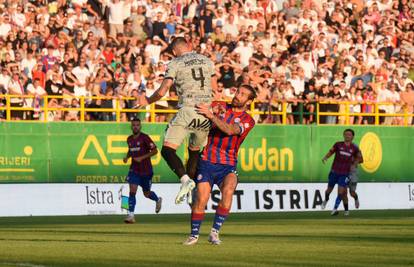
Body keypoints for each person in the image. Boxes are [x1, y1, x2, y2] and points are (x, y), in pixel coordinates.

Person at [137, 37, 217, 205]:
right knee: (194, 151)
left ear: (174, 51)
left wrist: (147, 101)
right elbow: (215, 89)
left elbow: (162, 91)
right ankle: (192, 192)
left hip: (188, 110)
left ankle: (185, 180)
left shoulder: (175, 63)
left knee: (167, 150)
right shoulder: (207, 60)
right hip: (206, 112)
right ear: (189, 45)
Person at [183, 84, 256, 245]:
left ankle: (214, 233)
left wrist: (212, 116)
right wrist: (208, 109)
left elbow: (230, 130)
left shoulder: (248, 120)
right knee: (202, 198)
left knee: (229, 189)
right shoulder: (220, 106)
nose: (238, 95)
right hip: (207, 161)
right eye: (238, 91)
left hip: (228, 165)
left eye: (243, 94)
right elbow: (205, 111)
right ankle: (194, 235)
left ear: (249, 101)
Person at [123, 117, 162, 224]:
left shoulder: (145, 138)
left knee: (146, 193)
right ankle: (131, 215)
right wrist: (127, 157)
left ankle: (158, 200)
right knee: (132, 191)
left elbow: (155, 151)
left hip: (146, 171)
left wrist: (142, 157)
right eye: (134, 125)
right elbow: (130, 150)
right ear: (131, 126)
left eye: (137, 125)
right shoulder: (129, 139)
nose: (135, 127)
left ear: (140, 126)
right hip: (134, 169)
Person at [321, 129, 363, 216]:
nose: (347, 136)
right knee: (329, 190)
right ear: (343, 135)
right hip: (334, 171)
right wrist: (326, 157)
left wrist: (354, 164)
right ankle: (325, 200)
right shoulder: (338, 144)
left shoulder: (354, 148)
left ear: (352, 137)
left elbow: (360, 158)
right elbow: (331, 151)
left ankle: (335, 209)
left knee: (342, 192)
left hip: (345, 173)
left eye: (349, 135)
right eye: (346, 134)